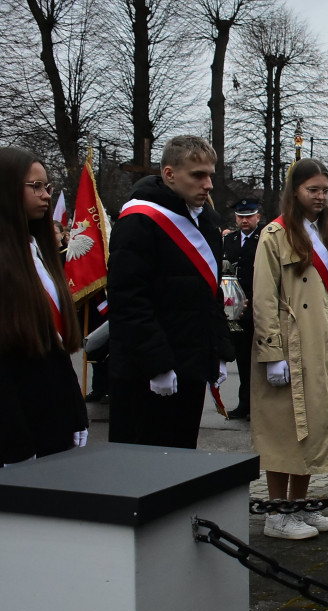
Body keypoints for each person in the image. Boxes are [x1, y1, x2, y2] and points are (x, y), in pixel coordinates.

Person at [251, 158, 328, 540]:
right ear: (295, 190)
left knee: (314, 425)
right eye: (313, 189)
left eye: (325, 190)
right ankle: (277, 513)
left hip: (326, 342)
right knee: (287, 427)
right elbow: (264, 299)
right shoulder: (274, 236)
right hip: (291, 343)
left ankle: (298, 506)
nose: (320, 197)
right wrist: (272, 354)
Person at [106, 135, 234, 449]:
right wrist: (157, 364)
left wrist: (215, 351)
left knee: (180, 464)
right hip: (146, 373)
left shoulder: (206, 223)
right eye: (198, 175)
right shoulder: (139, 221)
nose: (208, 185)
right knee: (142, 468)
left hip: (190, 366)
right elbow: (129, 300)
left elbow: (209, 294)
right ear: (169, 174)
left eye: (210, 175)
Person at [0, 147, 88, 464]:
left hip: (49, 413)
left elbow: (53, 344)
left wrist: (75, 413)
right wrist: (14, 444)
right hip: (16, 426)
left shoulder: (35, 249)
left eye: (47, 186)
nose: (46, 195)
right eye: (34, 186)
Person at [223, 198, 263, 419]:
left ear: (258, 216)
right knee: (242, 358)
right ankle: (244, 403)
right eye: (241, 216)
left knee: (256, 360)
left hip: (256, 304)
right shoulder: (230, 239)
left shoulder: (264, 238)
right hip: (235, 308)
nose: (244, 220)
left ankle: (256, 405)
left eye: (249, 216)